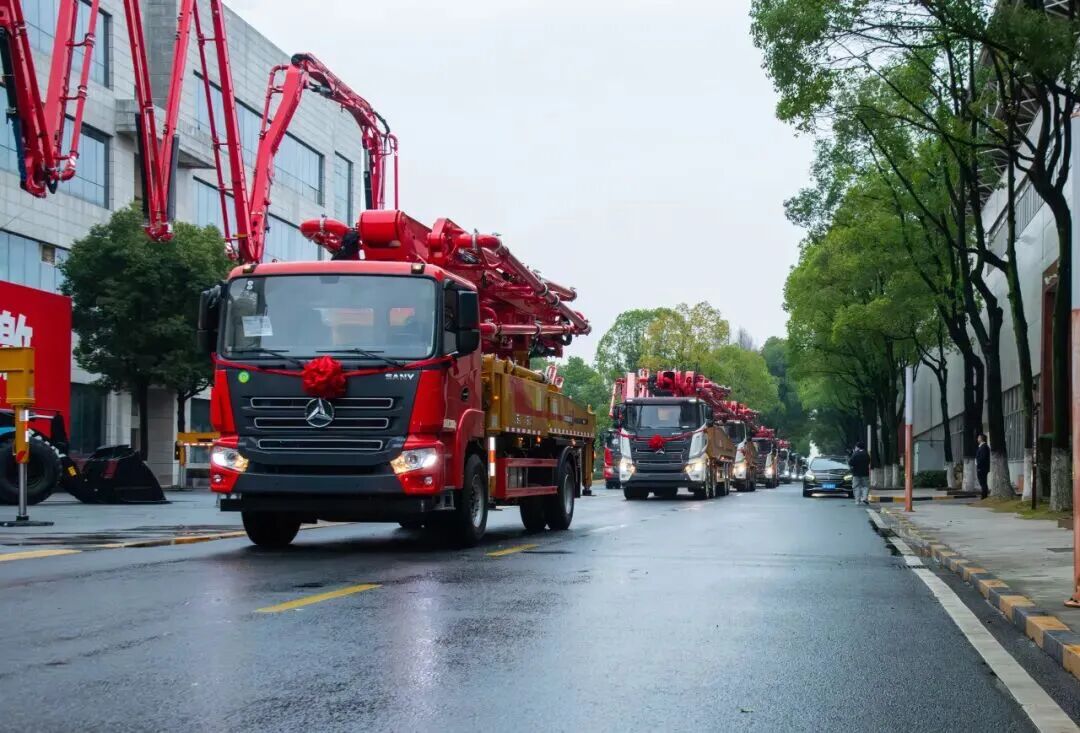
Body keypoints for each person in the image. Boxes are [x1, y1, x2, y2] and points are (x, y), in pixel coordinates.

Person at [976, 432, 990, 500]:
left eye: (978, 437)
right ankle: (984, 494)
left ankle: (984, 495)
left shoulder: (984, 447)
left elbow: (982, 458)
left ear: (981, 439)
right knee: (982, 482)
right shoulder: (982, 447)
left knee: (983, 482)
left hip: (982, 468)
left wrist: (979, 466)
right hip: (982, 467)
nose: (977, 439)